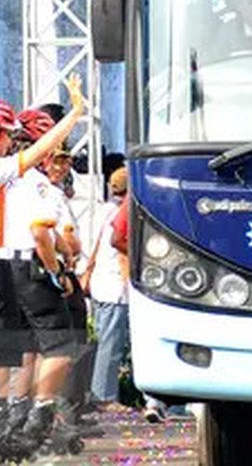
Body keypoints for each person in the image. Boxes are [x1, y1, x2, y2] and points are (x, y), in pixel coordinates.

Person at [2, 106, 89, 457]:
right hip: (27, 266)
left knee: (18, 347)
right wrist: (57, 272)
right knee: (59, 348)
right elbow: (42, 233)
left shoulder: (12, 178)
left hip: (6, 263)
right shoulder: (33, 182)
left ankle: (11, 417)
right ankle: (37, 421)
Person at [86, 167, 129, 412]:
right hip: (114, 284)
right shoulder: (121, 212)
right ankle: (104, 396)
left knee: (105, 341)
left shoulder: (104, 209)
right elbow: (118, 246)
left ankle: (101, 393)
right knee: (111, 344)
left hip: (102, 282)